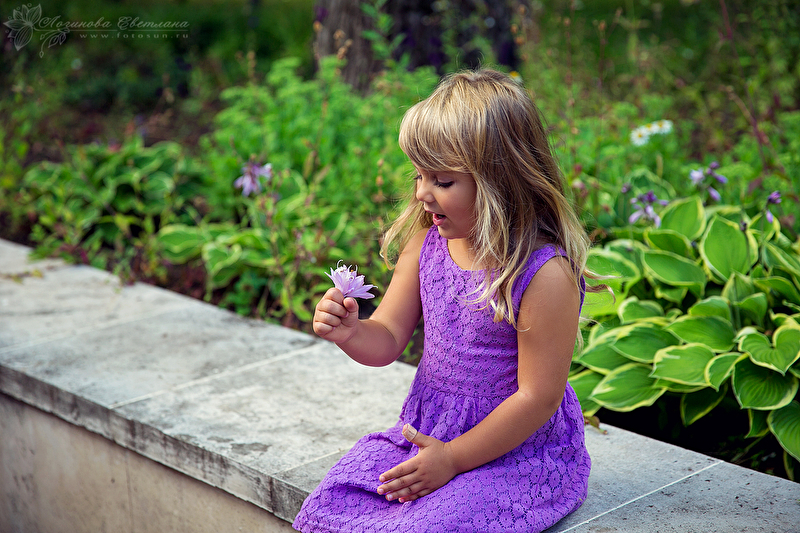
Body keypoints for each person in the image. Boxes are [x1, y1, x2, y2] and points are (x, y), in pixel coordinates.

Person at [293, 68, 592, 533]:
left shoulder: (542, 274)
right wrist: (350, 332)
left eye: (442, 181)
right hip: (429, 435)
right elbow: (387, 338)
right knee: (330, 504)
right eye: (419, 175)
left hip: (516, 453)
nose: (421, 193)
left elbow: (538, 398)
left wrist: (452, 459)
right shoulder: (427, 244)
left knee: (430, 526)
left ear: (500, 181)